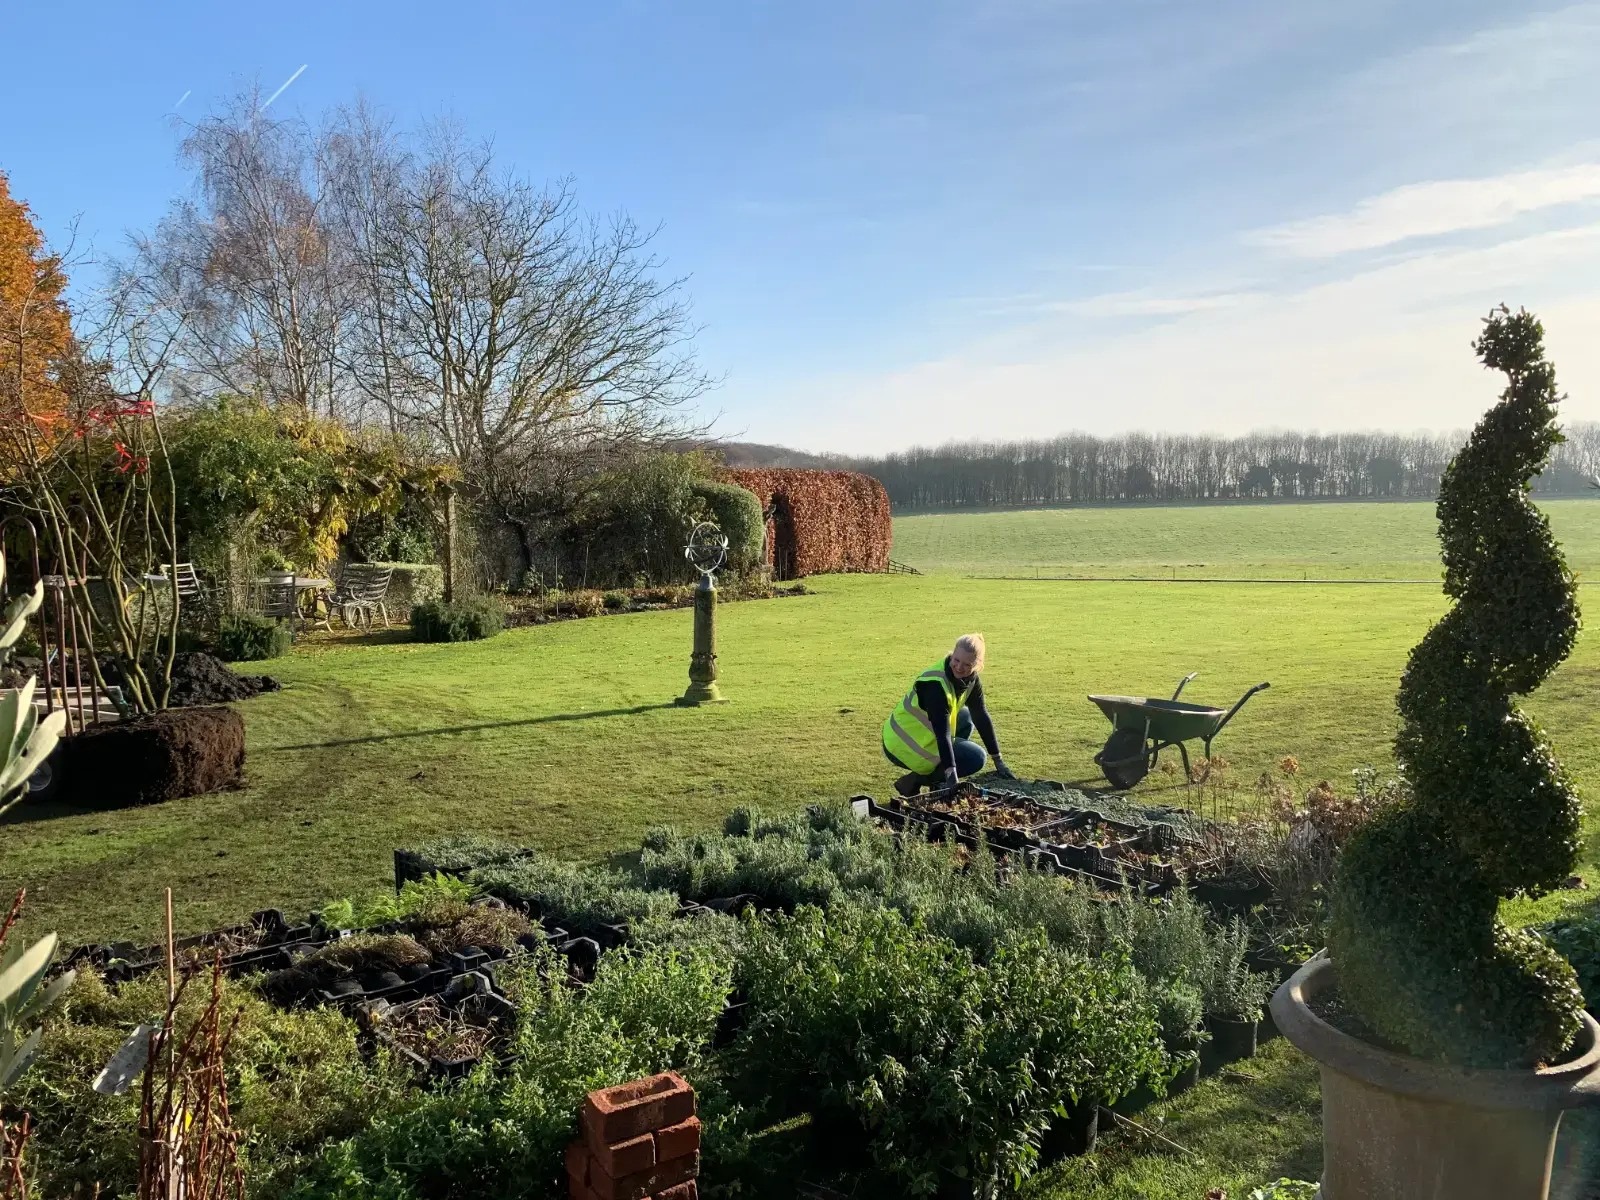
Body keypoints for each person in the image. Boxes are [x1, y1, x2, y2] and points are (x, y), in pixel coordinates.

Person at [882, 632, 1016, 797]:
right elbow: (942, 733)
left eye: (967, 664)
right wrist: (952, 775)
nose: (959, 667)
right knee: (976, 757)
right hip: (902, 745)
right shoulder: (935, 685)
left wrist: (998, 760)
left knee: (966, 717)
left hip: (919, 735)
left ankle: (922, 781)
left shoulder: (971, 680)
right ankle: (925, 780)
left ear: (978, 665)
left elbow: (980, 716)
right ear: (952, 654)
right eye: (956, 660)